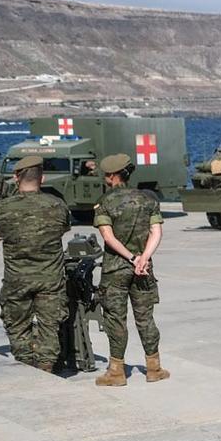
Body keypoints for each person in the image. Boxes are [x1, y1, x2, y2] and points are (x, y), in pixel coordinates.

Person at [0, 156, 71, 372]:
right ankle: (46, 366)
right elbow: (64, 228)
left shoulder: (1, 208)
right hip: (50, 279)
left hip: (17, 279)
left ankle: (25, 363)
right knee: (49, 325)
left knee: (16, 324)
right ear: (41, 178)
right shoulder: (57, 205)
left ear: (16, 177)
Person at [93, 153, 168, 386]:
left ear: (112, 176)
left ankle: (116, 372)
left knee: (116, 319)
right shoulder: (148, 200)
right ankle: (154, 368)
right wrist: (143, 258)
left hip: (116, 269)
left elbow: (108, 236)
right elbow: (156, 232)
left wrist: (131, 257)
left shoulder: (105, 202)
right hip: (143, 269)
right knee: (145, 318)